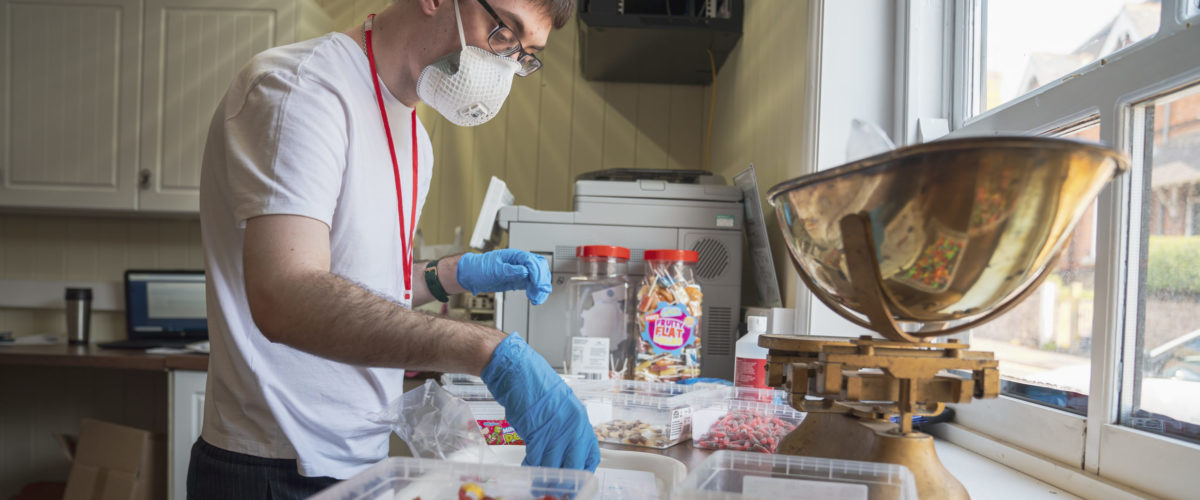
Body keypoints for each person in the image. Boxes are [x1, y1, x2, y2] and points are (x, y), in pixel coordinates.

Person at [189, 0, 598, 497]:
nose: (507, 64)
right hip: (272, 467)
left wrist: (449, 275)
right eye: (505, 32)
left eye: (524, 54)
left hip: (360, 460)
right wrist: (487, 351)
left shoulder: (413, 135)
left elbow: (360, 285)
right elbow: (285, 295)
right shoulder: (301, 89)